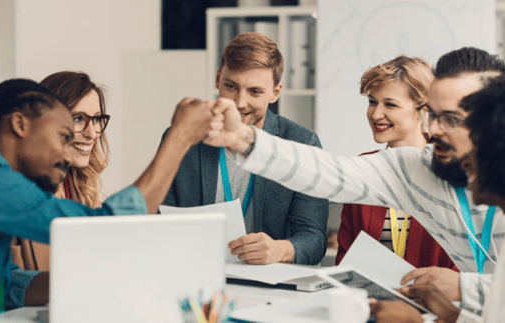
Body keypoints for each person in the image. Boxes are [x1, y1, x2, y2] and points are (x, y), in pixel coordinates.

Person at [205, 47, 505, 316]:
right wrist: (243, 139)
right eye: (432, 115)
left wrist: (466, 287)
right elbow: (330, 172)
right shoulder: (420, 167)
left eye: (451, 118)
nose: (435, 129)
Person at [0, 78, 215, 323]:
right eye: (63, 137)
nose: (68, 153)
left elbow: (7, 285)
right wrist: (180, 137)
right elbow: (106, 229)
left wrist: (85, 279)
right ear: (20, 124)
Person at [161, 32, 329, 265]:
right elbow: (160, 219)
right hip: (198, 273)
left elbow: (315, 239)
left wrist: (280, 249)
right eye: (231, 86)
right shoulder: (183, 137)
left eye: (255, 92)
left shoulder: (302, 143)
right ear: (218, 78)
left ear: (275, 92)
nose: (240, 103)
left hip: (271, 283)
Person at [371, 75, 505, 323]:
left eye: (390, 104)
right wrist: (448, 312)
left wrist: (417, 322)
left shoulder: (442, 181)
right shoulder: (374, 169)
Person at [337, 56, 457, 271]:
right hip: (371, 300)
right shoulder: (363, 168)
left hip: (433, 302)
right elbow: (346, 258)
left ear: (424, 111)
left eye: (389, 104)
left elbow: (463, 266)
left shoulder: (450, 174)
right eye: (372, 101)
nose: (375, 114)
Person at [11, 71, 110, 271]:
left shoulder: (79, 187)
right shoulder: (12, 193)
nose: (91, 133)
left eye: (97, 119)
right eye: (77, 119)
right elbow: (6, 287)